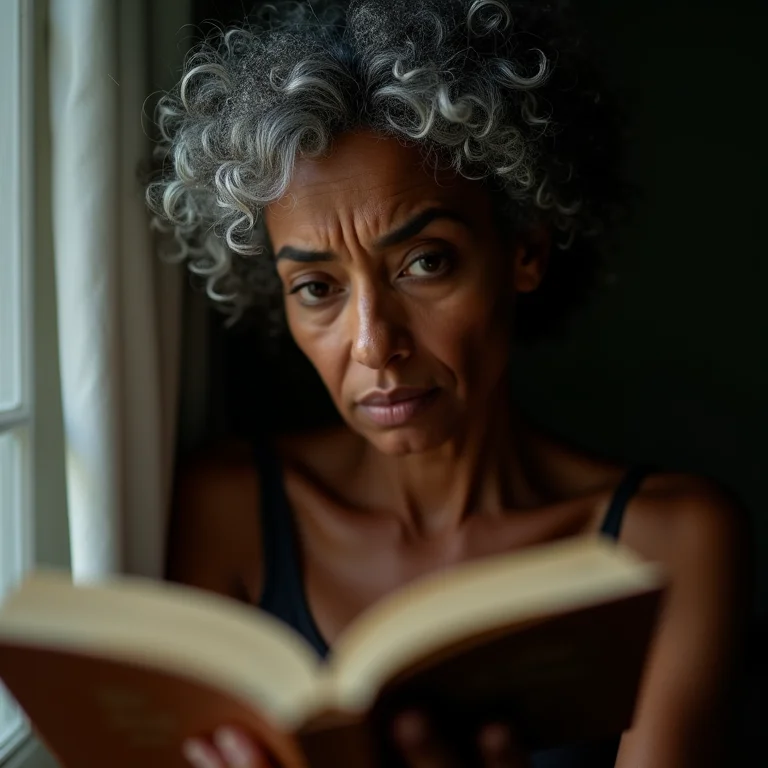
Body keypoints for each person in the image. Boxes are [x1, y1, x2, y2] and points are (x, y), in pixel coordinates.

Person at [145, 1, 750, 766]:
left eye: (425, 261)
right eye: (316, 287)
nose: (373, 345)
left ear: (525, 251)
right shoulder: (227, 509)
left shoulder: (667, 542)